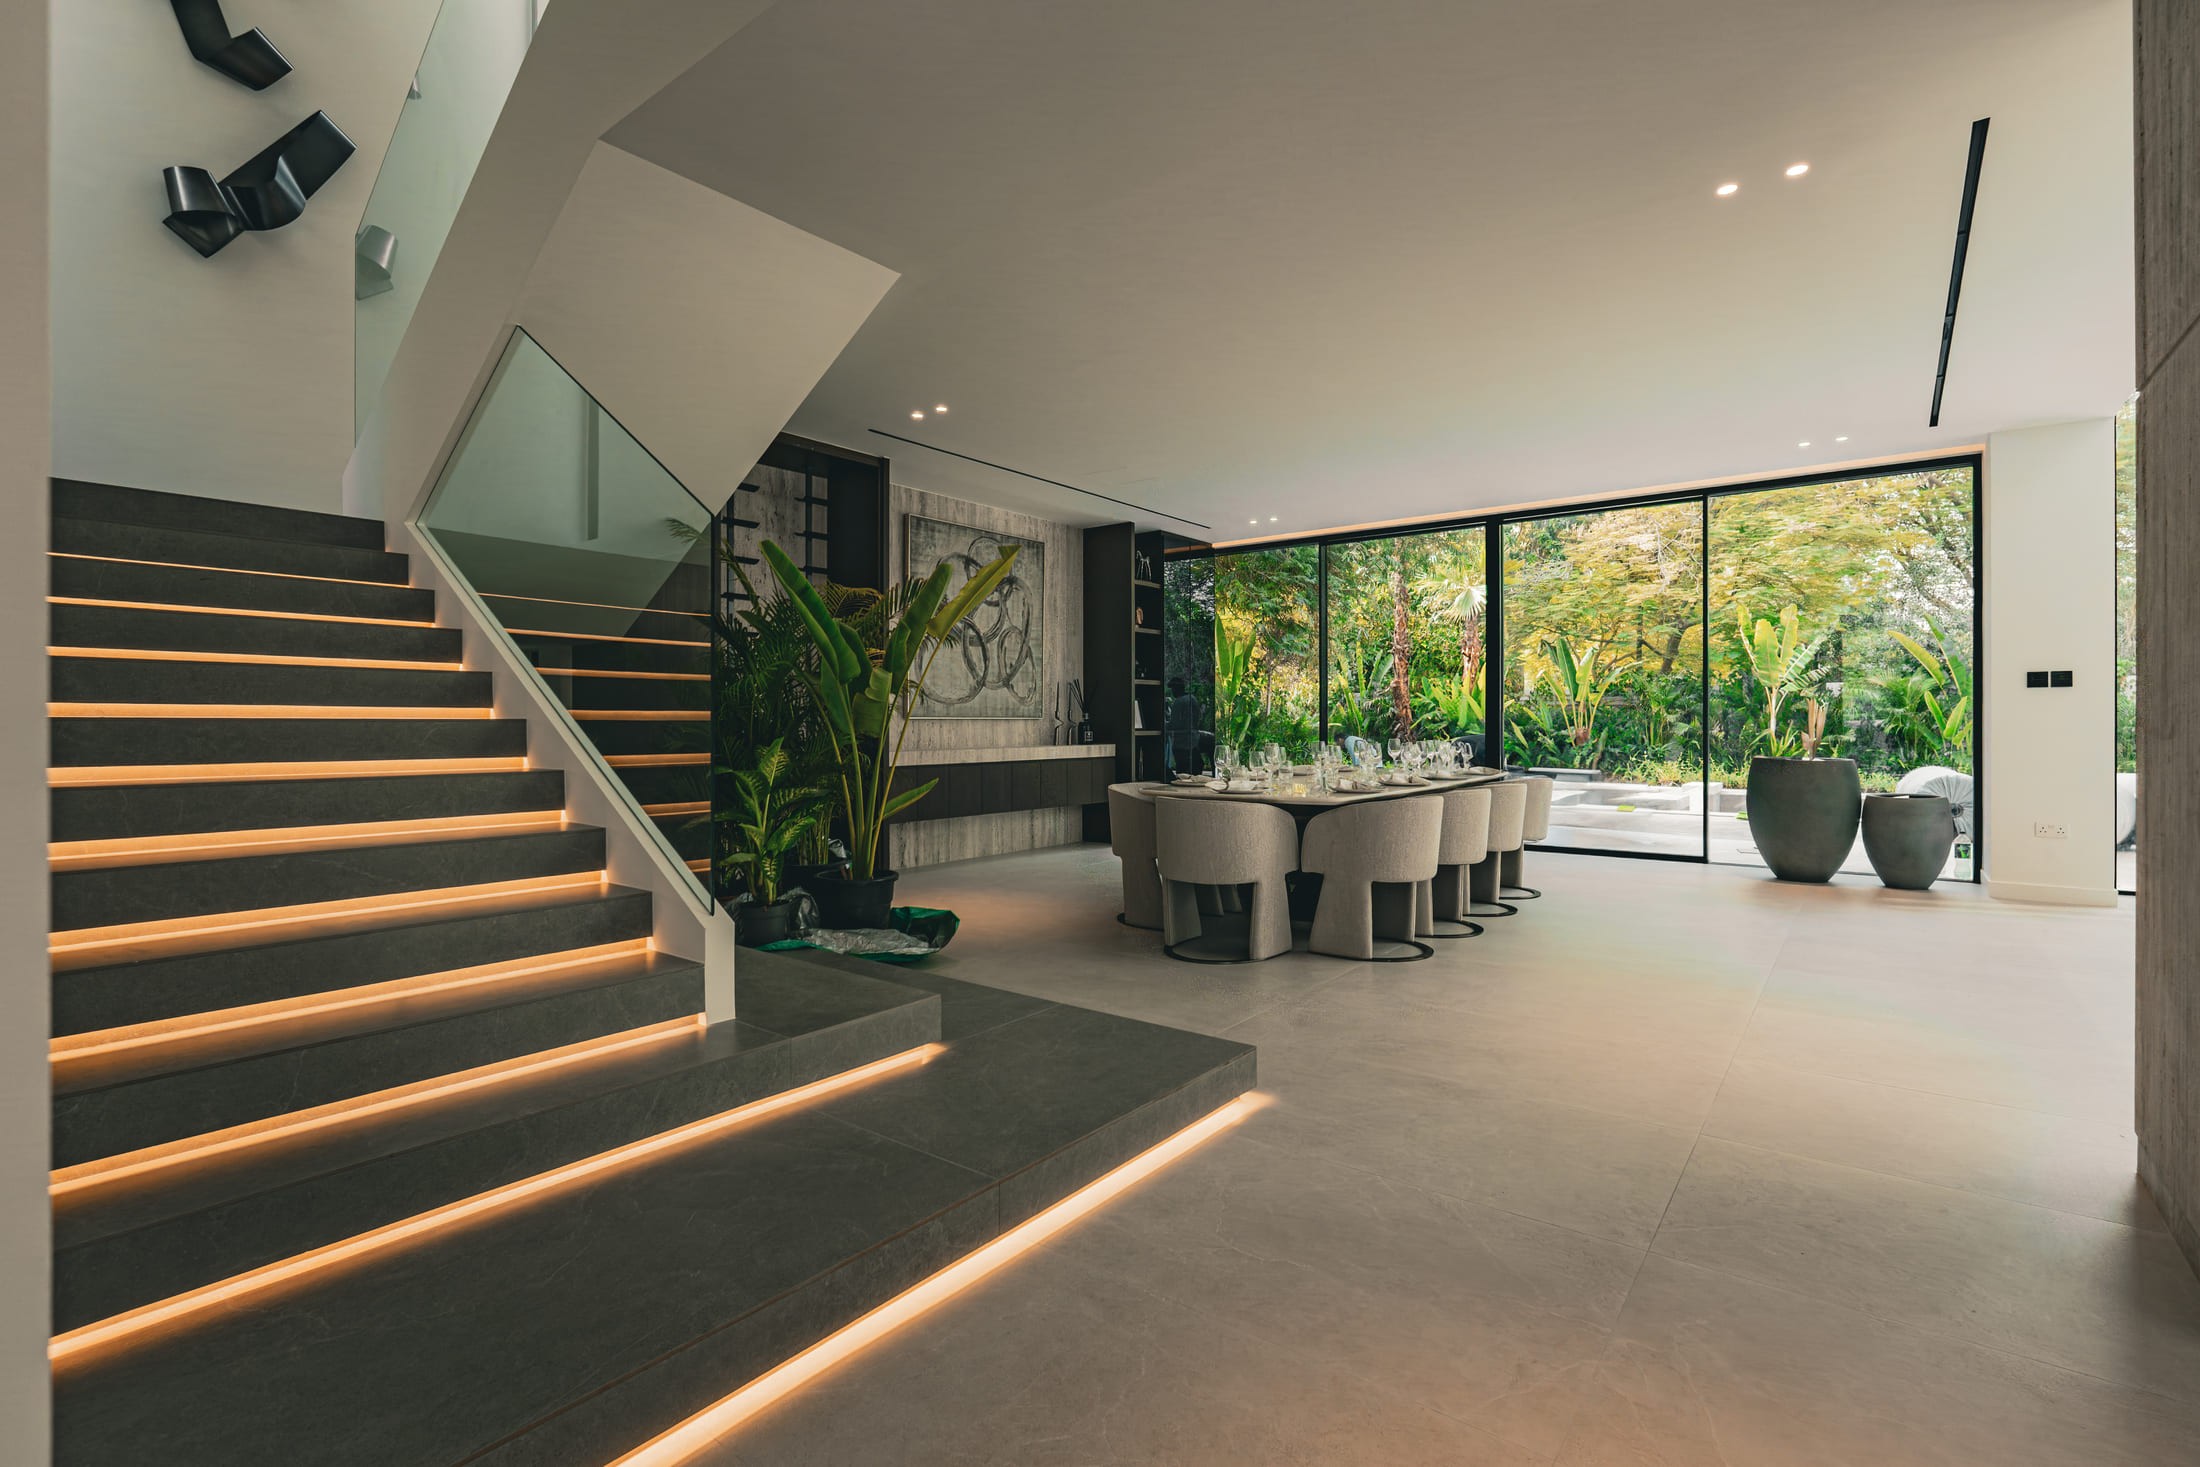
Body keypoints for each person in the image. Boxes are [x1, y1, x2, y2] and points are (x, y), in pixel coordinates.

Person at [1165, 677, 1205, 775]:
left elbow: (1175, 724)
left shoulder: (1179, 702)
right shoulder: (1192, 698)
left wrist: (1164, 724)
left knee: (1182, 774)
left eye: (1173, 689)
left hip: (1182, 744)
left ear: (1176, 689)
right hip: (1194, 742)